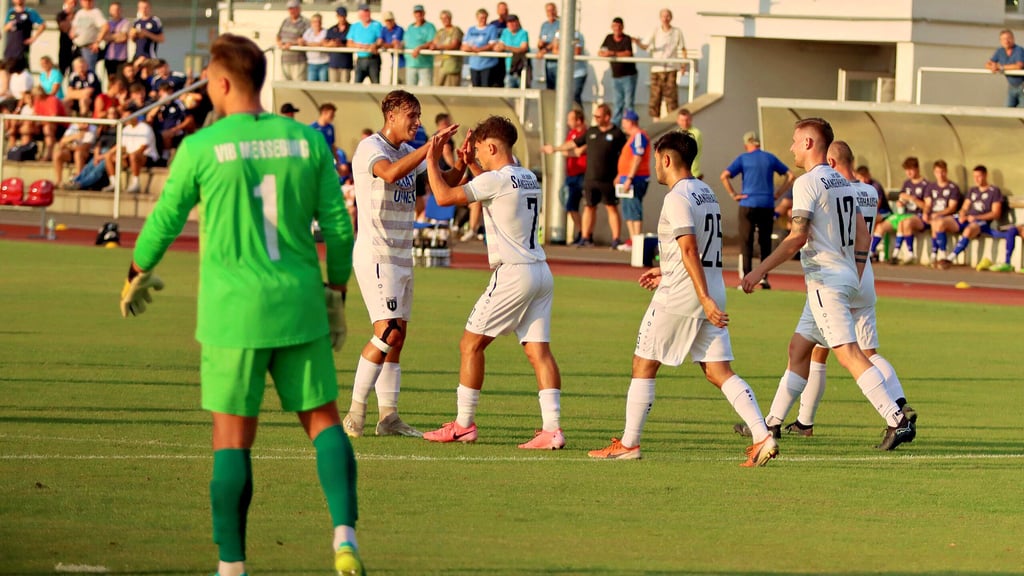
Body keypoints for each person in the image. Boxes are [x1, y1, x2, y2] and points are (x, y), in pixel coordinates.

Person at [117, 33, 363, 576]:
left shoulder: (203, 147)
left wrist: (137, 270)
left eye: (207, 78)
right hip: (299, 303)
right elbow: (341, 227)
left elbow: (165, 219)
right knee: (323, 421)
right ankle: (344, 539)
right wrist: (337, 292)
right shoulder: (307, 141)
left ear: (223, 82)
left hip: (232, 313)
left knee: (231, 437)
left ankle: (232, 567)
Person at [587, 130, 777, 466]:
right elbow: (701, 249)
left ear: (666, 159)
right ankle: (762, 435)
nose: (655, 167)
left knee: (643, 363)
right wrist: (668, 271)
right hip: (711, 286)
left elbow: (690, 246)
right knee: (718, 370)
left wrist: (699, 296)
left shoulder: (676, 197)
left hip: (687, 294)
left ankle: (629, 443)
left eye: (655, 160)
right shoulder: (706, 192)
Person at [740, 117, 915, 451]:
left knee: (849, 353)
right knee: (799, 347)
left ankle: (897, 419)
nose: (790, 146)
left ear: (808, 143)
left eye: (794, 140)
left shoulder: (807, 182)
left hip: (825, 281)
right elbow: (864, 234)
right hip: (840, 278)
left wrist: (758, 270)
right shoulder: (843, 181)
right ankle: (772, 424)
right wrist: (856, 270)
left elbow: (797, 237)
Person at [421, 116, 565, 449]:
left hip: (513, 273)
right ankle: (552, 429)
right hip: (541, 271)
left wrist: (431, 155)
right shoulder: (527, 175)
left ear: (492, 146)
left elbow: (443, 197)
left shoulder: (496, 180)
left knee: (471, 345)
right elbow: (494, 188)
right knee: (539, 352)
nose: (479, 157)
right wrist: (471, 164)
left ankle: (463, 424)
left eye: (481, 152)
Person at [344, 90, 460, 439]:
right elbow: (391, 174)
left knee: (398, 337)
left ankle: (389, 417)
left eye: (419, 115)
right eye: (412, 115)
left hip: (401, 254)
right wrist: (431, 147)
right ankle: (354, 412)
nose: (418, 122)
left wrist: (463, 160)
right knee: (387, 332)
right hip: (376, 254)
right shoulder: (371, 147)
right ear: (391, 115)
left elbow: (448, 183)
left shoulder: (411, 151)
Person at [720, 131, 794, 289]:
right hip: (767, 203)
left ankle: (746, 279)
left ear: (747, 144)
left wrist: (734, 194)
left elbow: (724, 176)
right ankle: (763, 277)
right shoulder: (770, 158)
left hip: (747, 203)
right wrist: (778, 193)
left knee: (746, 242)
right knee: (765, 242)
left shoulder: (743, 158)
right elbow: (790, 175)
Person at [557, 103, 625, 248]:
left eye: (598, 116)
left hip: (609, 179)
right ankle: (585, 237)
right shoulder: (591, 132)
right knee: (589, 207)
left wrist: (622, 174)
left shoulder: (617, 134)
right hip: (590, 178)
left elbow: (625, 155)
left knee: (611, 207)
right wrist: (556, 148)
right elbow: (574, 144)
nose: (596, 118)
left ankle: (616, 239)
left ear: (607, 117)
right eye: (595, 116)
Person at [934, 165, 1018, 272]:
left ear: (985, 176)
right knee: (940, 222)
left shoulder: (994, 191)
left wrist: (976, 217)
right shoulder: (973, 190)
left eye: (979, 176)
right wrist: (962, 214)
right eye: (975, 177)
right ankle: (942, 254)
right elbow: (965, 207)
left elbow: (995, 213)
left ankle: (950, 259)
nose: (977, 179)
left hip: (981, 222)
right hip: (967, 218)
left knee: (969, 230)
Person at [868, 156, 928, 263]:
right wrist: (901, 203)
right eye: (906, 170)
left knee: (905, 222)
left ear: (917, 169)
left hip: (917, 216)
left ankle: (908, 254)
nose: (908, 172)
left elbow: (926, 206)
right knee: (881, 226)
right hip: (903, 214)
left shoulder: (926, 185)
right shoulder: (907, 183)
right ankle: (871, 252)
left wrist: (912, 198)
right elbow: (902, 200)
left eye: (911, 169)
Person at [541, 108, 587, 244]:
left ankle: (585, 234)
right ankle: (580, 232)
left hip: (582, 174)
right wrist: (563, 150)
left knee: (585, 205)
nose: (567, 123)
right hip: (571, 174)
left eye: (570, 119)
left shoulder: (586, 133)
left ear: (578, 120)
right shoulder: (572, 133)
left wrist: (560, 150)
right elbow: (567, 150)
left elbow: (578, 151)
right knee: (570, 206)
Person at [633, 8, 685, 121]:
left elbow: (682, 48)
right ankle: (656, 123)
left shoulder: (677, 32)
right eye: (663, 16)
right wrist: (637, 42)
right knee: (655, 97)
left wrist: (683, 65)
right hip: (657, 68)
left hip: (671, 68)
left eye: (667, 16)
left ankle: (672, 122)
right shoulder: (655, 30)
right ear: (660, 18)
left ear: (671, 18)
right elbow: (645, 45)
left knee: (671, 98)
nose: (665, 19)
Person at [615, 109, 651, 252]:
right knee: (627, 208)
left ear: (630, 122)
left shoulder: (638, 136)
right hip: (627, 178)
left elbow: (637, 157)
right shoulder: (632, 137)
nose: (623, 124)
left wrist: (629, 177)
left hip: (636, 178)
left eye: (624, 122)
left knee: (634, 207)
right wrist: (620, 175)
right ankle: (632, 239)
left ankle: (637, 240)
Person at [101, 103, 156, 193]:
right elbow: (123, 146)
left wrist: (128, 155)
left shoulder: (145, 128)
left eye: (128, 116)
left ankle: (136, 183)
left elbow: (143, 148)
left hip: (146, 157)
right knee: (109, 156)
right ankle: (114, 183)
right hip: (129, 156)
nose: (125, 118)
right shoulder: (126, 129)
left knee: (133, 156)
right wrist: (113, 154)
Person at [918, 160, 962, 265]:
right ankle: (934, 253)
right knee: (908, 221)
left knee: (938, 222)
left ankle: (940, 252)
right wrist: (925, 213)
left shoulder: (953, 187)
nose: (940, 175)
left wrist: (938, 214)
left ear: (946, 172)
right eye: (938, 172)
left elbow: (952, 208)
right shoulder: (931, 187)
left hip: (948, 218)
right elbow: (927, 204)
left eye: (942, 172)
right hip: (932, 217)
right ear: (934, 172)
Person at [599, 17, 637, 126]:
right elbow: (601, 51)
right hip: (616, 75)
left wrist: (612, 53)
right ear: (612, 27)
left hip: (628, 75)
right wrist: (605, 53)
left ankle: (630, 125)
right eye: (615, 26)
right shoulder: (609, 38)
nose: (617, 28)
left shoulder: (626, 39)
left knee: (629, 103)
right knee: (617, 103)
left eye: (619, 26)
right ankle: (616, 126)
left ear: (622, 27)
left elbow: (628, 53)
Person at [463, 8, 502, 88]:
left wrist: (479, 50)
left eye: (485, 17)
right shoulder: (471, 29)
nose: (483, 20)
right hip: (474, 64)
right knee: (475, 88)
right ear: (477, 18)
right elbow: (464, 45)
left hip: (487, 64)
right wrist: (471, 49)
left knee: (486, 88)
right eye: (481, 18)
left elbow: (492, 44)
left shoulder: (491, 28)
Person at [986, 29, 1024, 108]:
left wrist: (1000, 67)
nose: (1006, 41)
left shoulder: (1019, 50)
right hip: (1012, 86)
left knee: (1021, 111)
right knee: (1007, 109)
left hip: (1022, 86)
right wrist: (993, 67)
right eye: (1003, 39)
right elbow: (988, 64)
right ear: (1000, 41)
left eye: (1008, 38)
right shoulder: (1000, 51)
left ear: (1013, 39)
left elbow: (1019, 66)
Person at [4, 0, 46, 70]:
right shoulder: (10, 12)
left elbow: (43, 25)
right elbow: (4, 28)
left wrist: (33, 38)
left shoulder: (29, 12)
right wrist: (8, 26)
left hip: (22, 49)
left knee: (23, 72)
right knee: (7, 71)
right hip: (10, 50)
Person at [552, 28, 587, 108]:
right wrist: (567, 51)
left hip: (578, 73)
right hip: (564, 73)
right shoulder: (559, 34)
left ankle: (580, 118)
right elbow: (554, 50)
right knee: (562, 98)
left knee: (575, 97)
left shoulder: (577, 35)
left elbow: (577, 52)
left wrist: (562, 51)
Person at [348, 3, 383, 84]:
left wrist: (375, 45)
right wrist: (358, 45)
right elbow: (349, 42)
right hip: (360, 59)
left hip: (373, 59)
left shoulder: (377, 25)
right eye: (364, 12)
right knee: (357, 83)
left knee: (375, 83)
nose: (366, 14)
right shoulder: (355, 26)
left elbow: (380, 39)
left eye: (367, 11)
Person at [276, 0, 309, 81]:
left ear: (298, 9)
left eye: (293, 9)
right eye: (289, 9)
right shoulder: (285, 21)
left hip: (298, 61)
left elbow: (307, 39)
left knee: (298, 85)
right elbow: (278, 36)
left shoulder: (305, 22)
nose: (291, 11)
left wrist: (292, 44)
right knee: (285, 85)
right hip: (285, 60)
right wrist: (279, 43)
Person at [70, 0, 107, 72]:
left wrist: (97, 42)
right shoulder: (79, 13)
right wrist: (72, 33)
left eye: (89, 1)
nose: (87, 3)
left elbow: (105, 27)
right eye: (85, 1)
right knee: (76, 71)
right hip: (77, 47)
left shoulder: (96, 12)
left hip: (88, 48)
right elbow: (74, 26)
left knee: (88, 71)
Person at [404, 5, 435, 87]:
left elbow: (432, 41)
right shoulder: (410, 27)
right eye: (416, 13)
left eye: (420, 12)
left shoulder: (429, 27)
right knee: (409, 91)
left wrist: (419, 48)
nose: (418, 15)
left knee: (426, 89)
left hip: (425, 65)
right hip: (411, 64)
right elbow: (405, 41)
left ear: (424, 13)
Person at [430, 10, 463, 87]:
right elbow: (434, 43)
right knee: (437, 88)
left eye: (446, 18)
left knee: (451, 89)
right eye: (442, 18)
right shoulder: (440, 32)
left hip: (452, 65)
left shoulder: (456, 30)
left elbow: (454, 44)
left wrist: (439, 46)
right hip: (440, 65)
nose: (444, 20)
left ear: (450, 18)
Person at [496, 14, 529, 88]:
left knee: (522, 91)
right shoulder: (505, 32)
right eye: (509, 22)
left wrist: (506, 47)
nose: (511, 24)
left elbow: (523, 48)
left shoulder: (523, 33)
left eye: (513, 22)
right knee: (508, 92)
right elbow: (498, 47)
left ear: (517, 22)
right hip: (509, 68)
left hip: (521, 68)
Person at [103, 1, 130, 80]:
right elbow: (104, 37)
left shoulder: (126, 22)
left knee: (121, 80)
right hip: (109, 57)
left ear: (121, 10)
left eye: (117, 9)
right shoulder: (107, 23)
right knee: (111, 79)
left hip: (121, 58)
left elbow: (123, 38)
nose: (116, 12)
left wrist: (110, 37)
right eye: (113, 10)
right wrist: (117, 36)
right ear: (110, 11)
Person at [325, 7, 353, 84]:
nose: (342, 18)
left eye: (343, 16)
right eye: (340, 16)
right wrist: (331, 44)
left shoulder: (351, 28)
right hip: (334, 63)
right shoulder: (332, 29)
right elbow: (325, 42)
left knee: (345, 86)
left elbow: (352, 42)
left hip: (345, 63)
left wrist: (341, 44)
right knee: (333, 86)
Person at [301, 13, 330, 82]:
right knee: (311, 86)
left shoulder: (325, 32)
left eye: (318, 22)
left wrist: (307, 43)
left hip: (323, 63)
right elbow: (302, 41)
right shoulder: (308, 32)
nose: (316, 24)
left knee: (323, 86)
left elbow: (321, 43)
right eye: (314, 22)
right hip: (311, 63)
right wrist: (306, 43)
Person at [537, 2, 559, 89]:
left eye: (552, 10)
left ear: (556, 11)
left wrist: (544, 50)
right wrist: (540, 45)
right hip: (548, 61)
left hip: (558, 62)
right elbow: (540, 40)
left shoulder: (560, 24)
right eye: (548, 11)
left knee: (559, 87)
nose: (550, 13)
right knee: (550, 88)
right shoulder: (544, 25)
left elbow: (556, 41)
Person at [675, 109, 701, 179]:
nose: (685, 123)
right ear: (677, 121)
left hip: (693, 173)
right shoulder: (676, 133)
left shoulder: (696, 133)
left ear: (691, 119)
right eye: (682, 120)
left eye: (687, 120)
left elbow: (686, 151)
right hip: (679, 174)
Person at [380, 11, 404, 83]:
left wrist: (385, 45)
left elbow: (395, 43)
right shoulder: (384, 29)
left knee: (404, 88)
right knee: (393, 87)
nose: (389, 22)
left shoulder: (399, 29)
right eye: (387, 21)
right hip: (393, 64)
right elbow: (380, 42)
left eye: (390, 20)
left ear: (393, 20)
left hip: (403, 64)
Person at [57, 0, 78, 76]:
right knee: (61, 71)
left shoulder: (79, 14)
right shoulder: (61, 15)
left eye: (74, 3)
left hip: (76, 48)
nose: (72, 5)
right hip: (64, 48)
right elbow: (64, 27)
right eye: (70, 2)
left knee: (74, 72)